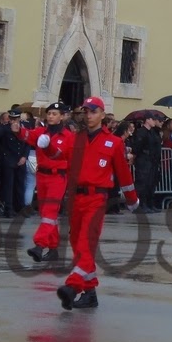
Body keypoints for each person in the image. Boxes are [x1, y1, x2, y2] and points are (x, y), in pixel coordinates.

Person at [52, 97, 139, 310]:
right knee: (76, 242)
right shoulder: (75, 139)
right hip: (75, 198)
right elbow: (58, 157)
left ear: (102, 114)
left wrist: (131, 199)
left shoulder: (114, 142)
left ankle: (73, 287)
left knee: (85, 242)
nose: (88, 115)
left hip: (97, 199)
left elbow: (123, 173)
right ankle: (90, 293)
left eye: (93, 111)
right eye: (86, 111)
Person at [26, 102, 74, 262]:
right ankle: (53, 249)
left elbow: (71, 158)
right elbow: (27, 136)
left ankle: (39, 245)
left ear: (62, 116)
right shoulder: (41, 132)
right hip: (42, 175)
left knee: (49, 212)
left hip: (58, 177)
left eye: (54, 113)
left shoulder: (68, 136)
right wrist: (18, 128)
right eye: (49, 113)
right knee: (45, 214)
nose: (51, 116)